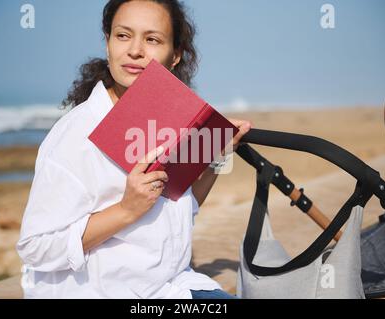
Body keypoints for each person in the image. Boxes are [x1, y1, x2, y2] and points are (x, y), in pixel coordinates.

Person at [17, 0, 252, 299]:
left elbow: (180, 208)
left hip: (171, 287)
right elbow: (35, 247)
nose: (135, 50)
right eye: (123, 35)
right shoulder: (75, 136)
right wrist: (126, 211)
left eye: (152, 39)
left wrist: (218, 155)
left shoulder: (170, 120)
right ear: (107, 44)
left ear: (175, 56)